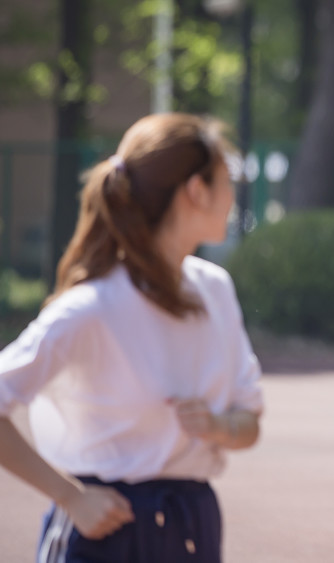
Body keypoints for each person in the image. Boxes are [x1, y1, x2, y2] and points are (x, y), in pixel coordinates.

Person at [0, 113, 264, 562]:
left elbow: (249, 420)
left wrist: (218, 426)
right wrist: (71, 497)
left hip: (191, 525)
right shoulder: (92, 308)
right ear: (196, 191)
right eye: (226, 181)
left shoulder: (214, 290)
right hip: (105, 533)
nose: (232, 196)